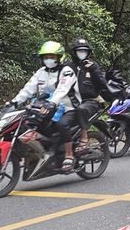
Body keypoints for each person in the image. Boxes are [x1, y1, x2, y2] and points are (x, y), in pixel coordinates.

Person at [9, 41, 78, 170]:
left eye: (52, 57)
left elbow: (62, 89)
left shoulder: (66, 71)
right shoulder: (41, 72)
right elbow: (28, 89)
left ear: (59, 57)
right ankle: (37, 153)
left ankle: (69, 154)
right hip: (43, 107)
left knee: (61, 124)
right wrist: (14, 101)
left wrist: (53, 102)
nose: (49, 60)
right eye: (46, 57)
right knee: (25, 125)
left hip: (67, 107)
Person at [68, 38, 112, 154]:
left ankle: (84, 137)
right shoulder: (68, 66)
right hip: (70, 100)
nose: (82, 54)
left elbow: (103, 83)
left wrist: (94, 70)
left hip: (90, 101)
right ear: (74, 52)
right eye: (79, 51)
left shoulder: (93, 66)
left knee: (81, 109)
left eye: (84, 51)